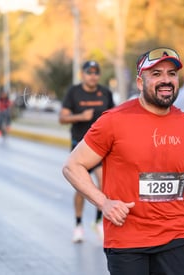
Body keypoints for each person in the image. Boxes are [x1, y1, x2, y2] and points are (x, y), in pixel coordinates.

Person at [62, 47, 184, 275]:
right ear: (140, 82)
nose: (166, 80)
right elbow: (73, 166)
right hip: (127, 240)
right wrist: (104, 203)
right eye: (156, 74)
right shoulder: (114, 121)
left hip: (176, 235)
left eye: (171, 74)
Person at [59, 60, 115, 243]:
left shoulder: (105, 93)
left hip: (102, 149)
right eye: (89, 73)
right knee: (82, 188)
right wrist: (80, 117)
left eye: (96, 73)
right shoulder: (73, 93)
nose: (93, 76)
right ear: (82, 74)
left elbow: (114, 117)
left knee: (105, 184)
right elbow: (62, 118)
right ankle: (78, 224)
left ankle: (98, 221)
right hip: (80, 149)